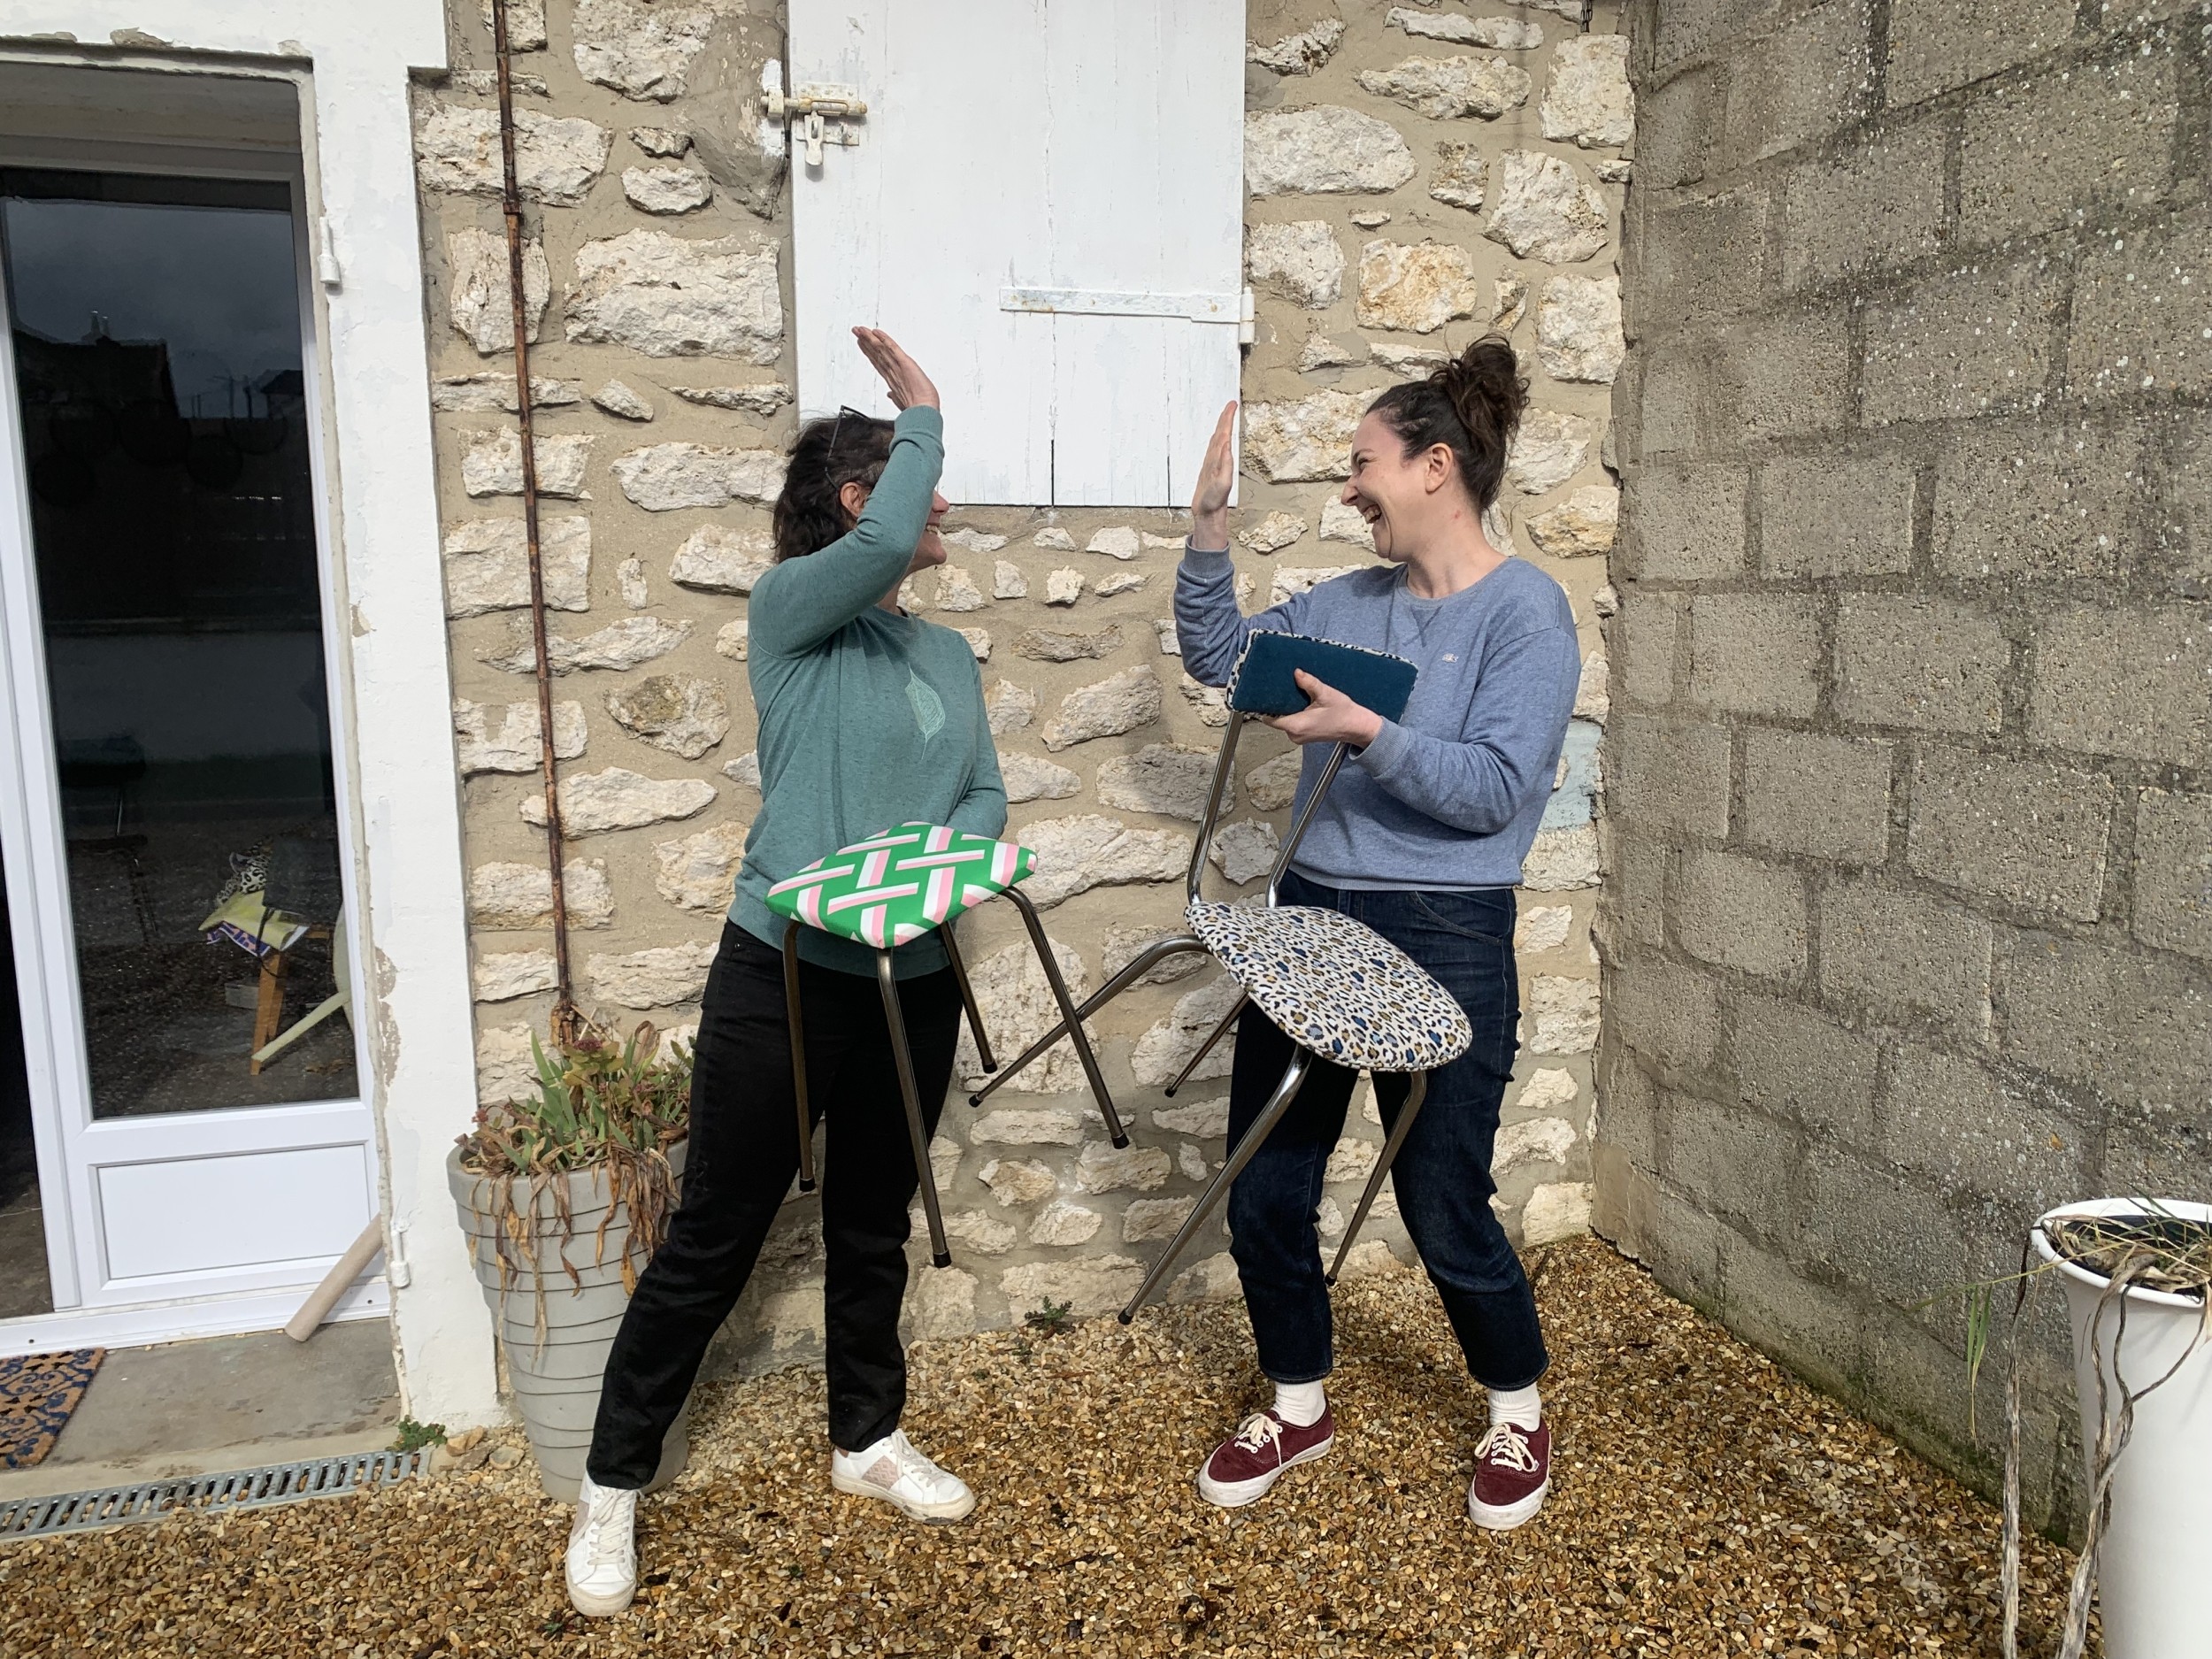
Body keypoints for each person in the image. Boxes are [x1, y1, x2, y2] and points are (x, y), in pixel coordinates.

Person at [566, 330, 1005, 1617]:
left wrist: (941, 872)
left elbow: (980, 792)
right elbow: (869, 559)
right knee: (715, 1233)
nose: (947, 512)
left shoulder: (946, 657)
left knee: (874, 1221)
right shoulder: (792, 610)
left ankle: (865, 1439)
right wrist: (922, 406)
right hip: (786, 973)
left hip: (910, 974)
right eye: (922, 480)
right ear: (867, 500)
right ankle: (611, 1487)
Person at [1173, 335, 1581, 1531]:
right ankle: (1299, 1404)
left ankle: (1516, 1411)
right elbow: (1216, 657)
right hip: (1314, 912)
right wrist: (1207, 528)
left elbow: (1494, 792)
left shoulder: (1528, 616)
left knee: (1440, 1197)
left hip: (1446, 929)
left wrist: (1366, 732)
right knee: (1267, 1179)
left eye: (1363, 463)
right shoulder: (1348, 605)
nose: (1348, 485)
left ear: (1434, 467)